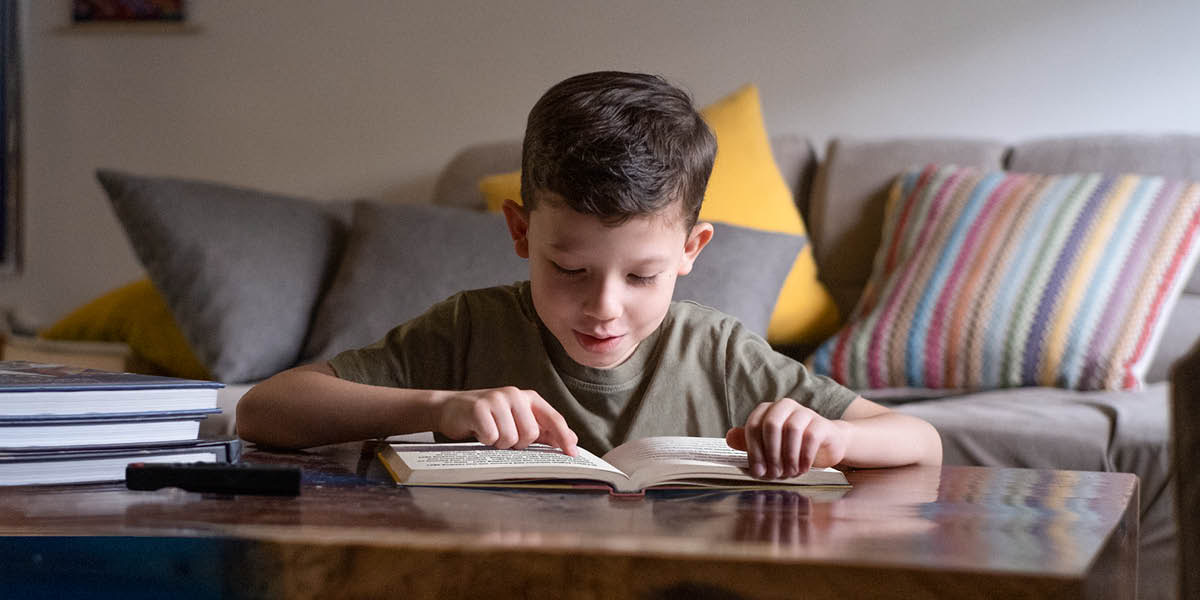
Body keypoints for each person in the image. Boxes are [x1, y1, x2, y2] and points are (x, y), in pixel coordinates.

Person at [236, 71, 941, 479]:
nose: (603, 306)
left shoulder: (720, 353)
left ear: (692, 250)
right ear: (521, 232)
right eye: (569, 268)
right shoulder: (469, 330)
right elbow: (266, 409)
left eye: (642, 276)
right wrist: (436, 407)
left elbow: (921, 441)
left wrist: (835, 439)